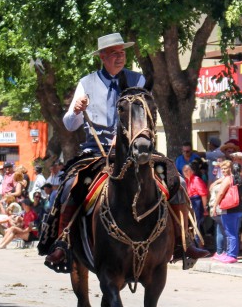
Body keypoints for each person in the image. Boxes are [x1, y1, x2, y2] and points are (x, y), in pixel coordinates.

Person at [41, 32, 208, 267]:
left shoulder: (137, 81)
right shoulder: (86, 83)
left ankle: (185, 240)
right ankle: (63, 241)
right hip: (96, 152)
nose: (120, 58)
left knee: (176, 180)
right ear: (102, 56)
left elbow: (147, 116)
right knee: (70, 184)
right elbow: (69, 124)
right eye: (114, 54)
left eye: (122, 53)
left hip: (135, 151)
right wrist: (77, 110)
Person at [212, 159, 242, 263]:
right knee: (234, 232)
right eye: (222, 168)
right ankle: (231, 254)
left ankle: (231, 255)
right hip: (239, 209)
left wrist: (214, 206)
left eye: (226, 168)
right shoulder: (241, 180)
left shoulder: (228, 179)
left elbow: (221, 193)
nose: (223, 170)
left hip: (229, 209)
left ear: (230, 169)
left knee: (229, 233)